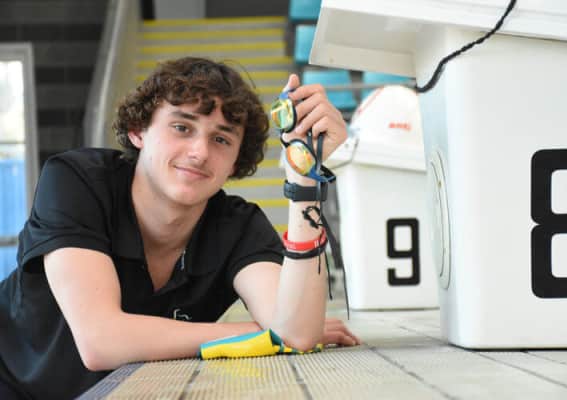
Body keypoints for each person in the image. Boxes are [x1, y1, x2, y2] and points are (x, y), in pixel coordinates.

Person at [0, 57, 360, 399]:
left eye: (221, 139)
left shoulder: (237, 224)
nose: (200, 152)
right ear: (138, 131)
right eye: (182, 128)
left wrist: (304, 179)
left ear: (236, 162)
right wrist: (260, 334)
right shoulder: (78, 181)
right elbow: (100, 341)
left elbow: (297, 334)